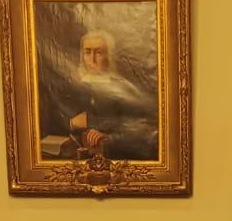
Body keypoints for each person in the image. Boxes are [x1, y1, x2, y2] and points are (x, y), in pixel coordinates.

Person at [46, 28, 159, 161]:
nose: (92, 59)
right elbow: (53, 120)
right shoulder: (72, 85)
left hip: (113, 156)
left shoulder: (122, 87)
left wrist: (107, 136)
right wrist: (71, 123)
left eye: (98, 52)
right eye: (87, 52)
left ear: (109, 55)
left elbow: (138, 128)